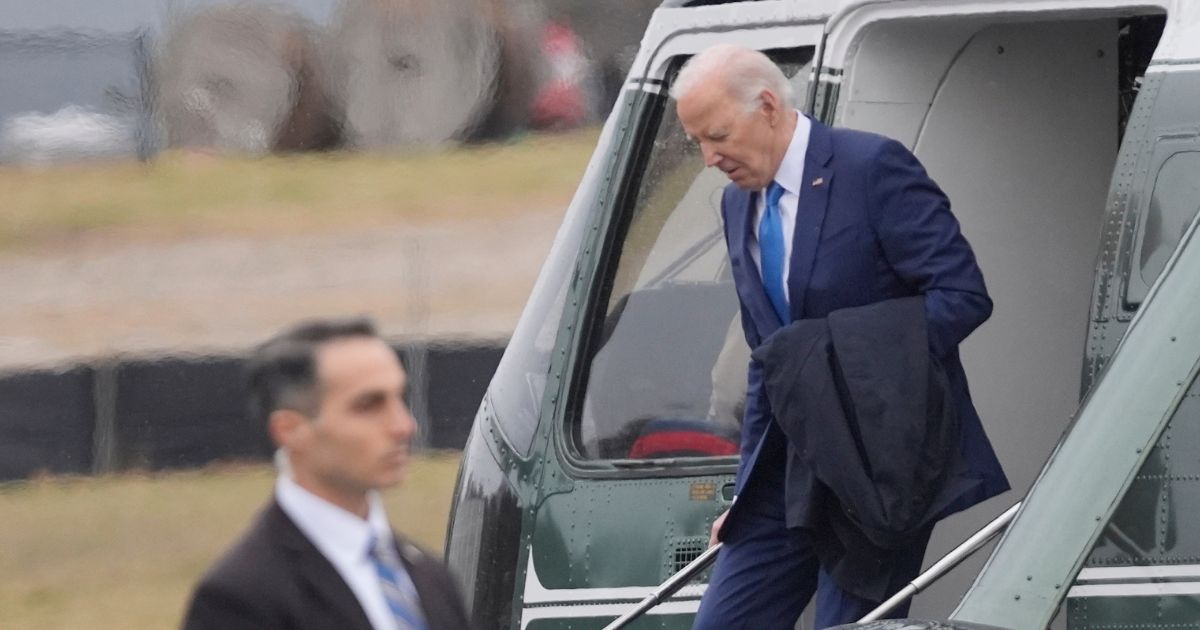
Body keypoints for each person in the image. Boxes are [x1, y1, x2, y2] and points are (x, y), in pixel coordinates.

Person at [671, 45, 1009, 628]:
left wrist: (838, 356)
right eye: (697, 141)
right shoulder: (735, 205)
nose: (708, 157)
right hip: (788, 466)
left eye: (718, 135)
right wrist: (745, 490)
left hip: (877, 459)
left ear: (769, 107)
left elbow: (962, 295)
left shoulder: (872, 168)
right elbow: (769, 361)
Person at [182, 317, 471, 630]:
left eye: (399, 398)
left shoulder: (430, 579)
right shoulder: (241, 598)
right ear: (291, 430)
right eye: (368, 405)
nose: (403, 426)